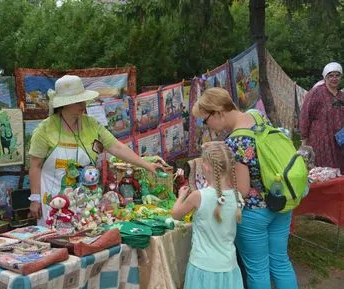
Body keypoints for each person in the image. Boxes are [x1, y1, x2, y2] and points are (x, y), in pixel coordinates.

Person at [192, 87, 298, 289]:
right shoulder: (256, 116)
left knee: (257, 269)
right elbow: (256, 150)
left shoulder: (235, 141)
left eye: (205, 121)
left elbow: (242, 189)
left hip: (255, 212)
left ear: (217, 113)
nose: (207, 127)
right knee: (280, 262)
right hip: (281, 200)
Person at [28, 75, 163, 226]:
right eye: (78, 101)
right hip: (54, 203)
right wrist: (35, 199)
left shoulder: (92, 124)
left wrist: (145, 164)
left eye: (83, 99)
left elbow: (116, 147)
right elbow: (35, 165)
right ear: (65, 104)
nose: (83, 104)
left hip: (86, 201)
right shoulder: (45, 129)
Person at [172, 141, 244, 289]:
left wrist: (181, 196)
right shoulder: (237, 196)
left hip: (202, 265)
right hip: (228, 266)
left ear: (204, 167)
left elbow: (175, 214)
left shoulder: (198, 196)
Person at [299, 62, 343, 173]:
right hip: (320, 139)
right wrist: (304, 139)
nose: (334, 78)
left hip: (339, 140)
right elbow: (305, 114)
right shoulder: (316, 93)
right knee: (322, 169)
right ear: (325, 77)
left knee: (339, 168)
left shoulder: (341, 96)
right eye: (331, 75)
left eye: (337, 75)